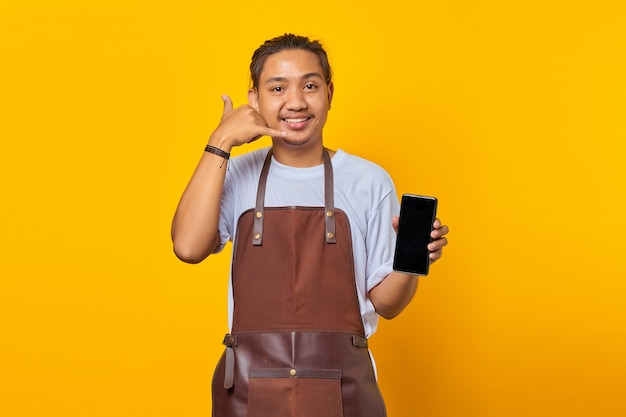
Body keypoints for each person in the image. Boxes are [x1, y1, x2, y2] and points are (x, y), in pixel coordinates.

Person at [171, 33, 449, 417]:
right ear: (255, 100)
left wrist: (411, 259)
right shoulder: (234, 174)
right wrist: (220, 140)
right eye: (278, 87)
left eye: (310, 85)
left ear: (329, 94)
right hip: (248, 393)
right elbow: (187, 247)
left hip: (345, 391)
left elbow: (387, 304)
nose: (296, 102)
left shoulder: (369, 181)